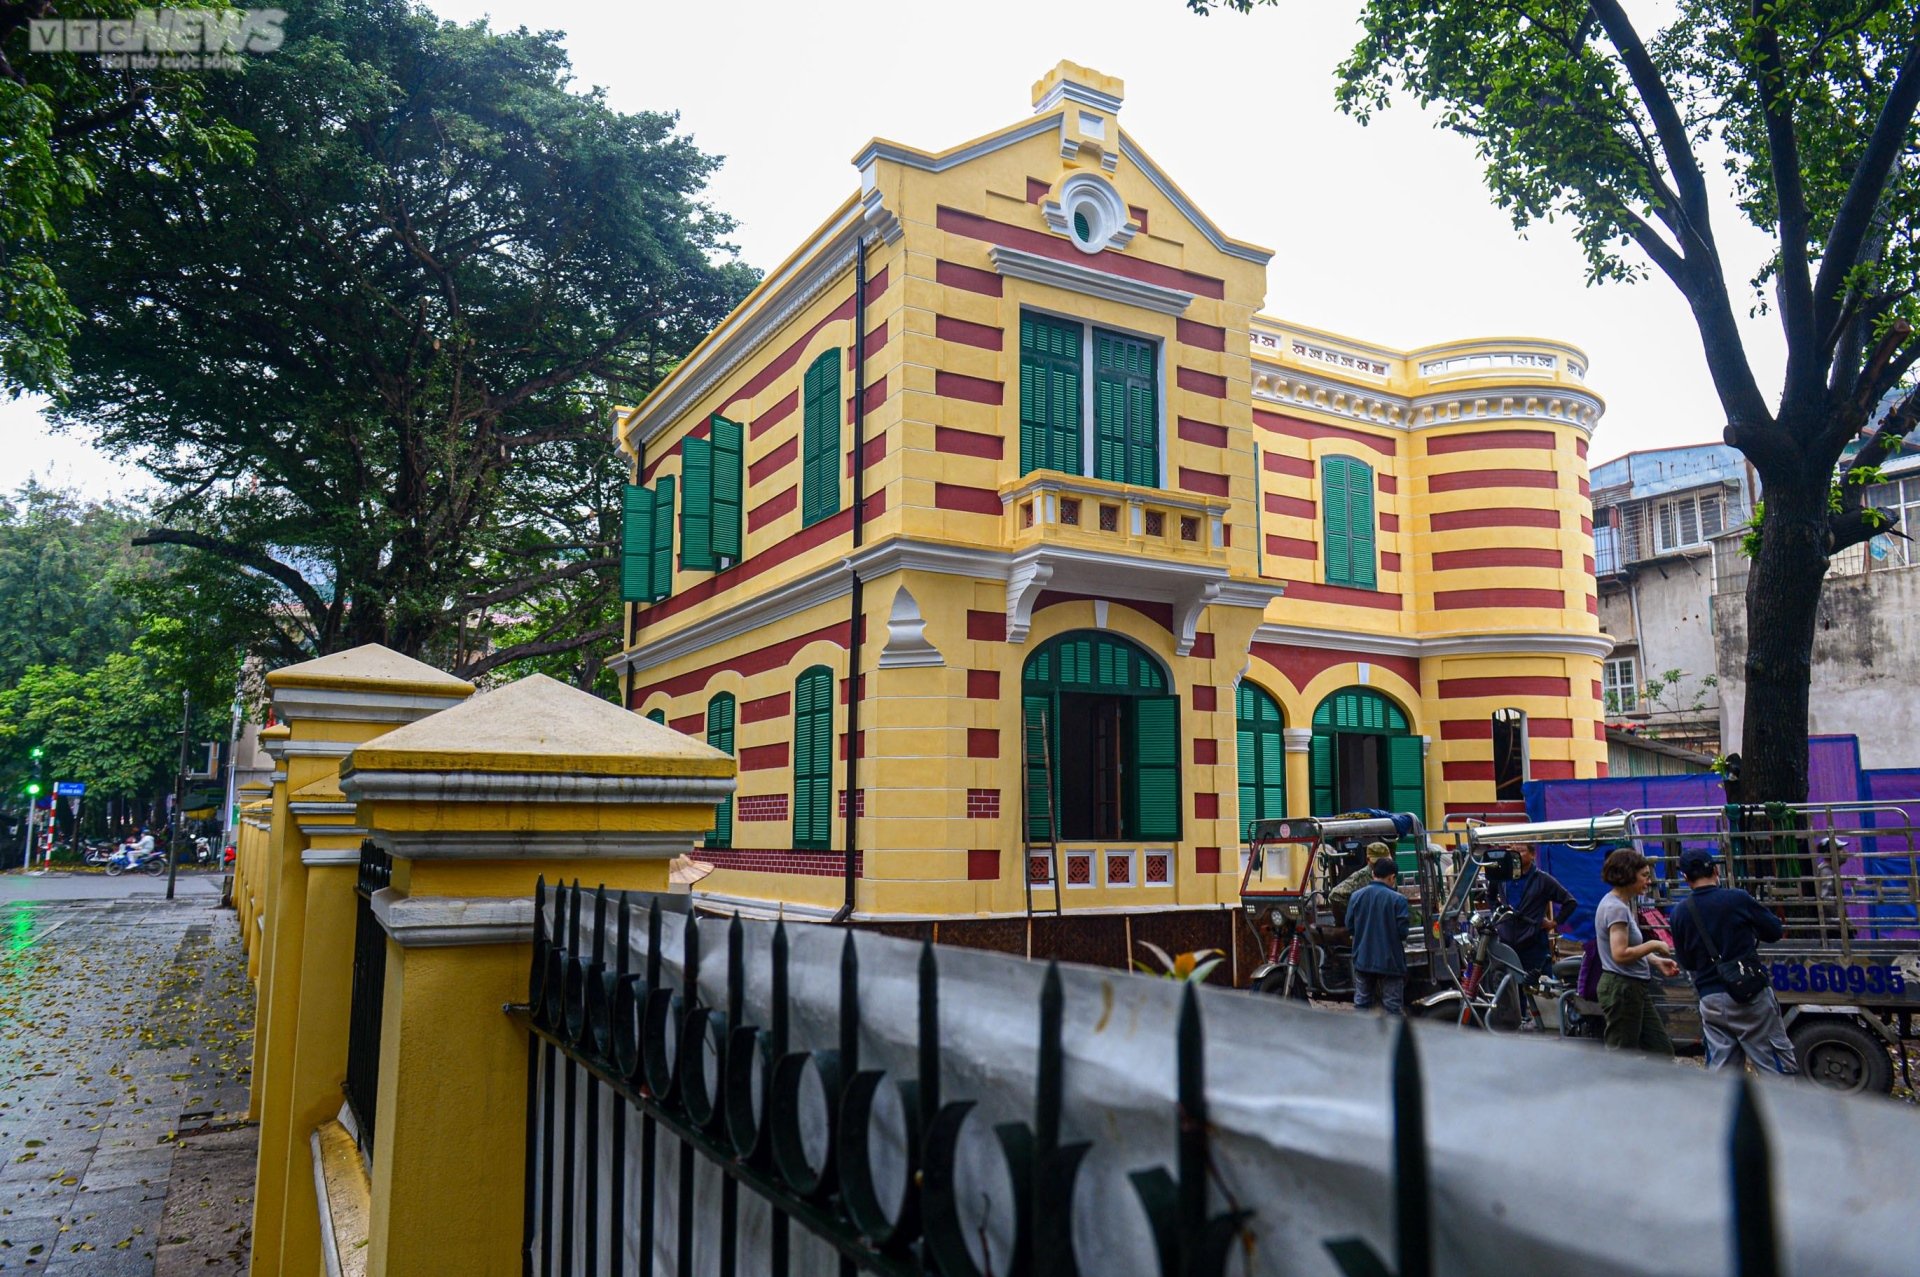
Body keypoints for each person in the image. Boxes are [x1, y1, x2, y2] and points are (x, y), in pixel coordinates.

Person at [1670, 849, 1798, 1075]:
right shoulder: (1737, 899)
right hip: (1750, 996)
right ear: (1716, 870)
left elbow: (1687, 962)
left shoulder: (1680, 912)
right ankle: (1780, 1109)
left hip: (1710, 1000)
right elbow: (1774, 931)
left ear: (1685, 877)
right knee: (1774, 1067)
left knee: (1722, 1074)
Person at [1594, 848, 1679, 1055]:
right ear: (1627, 874)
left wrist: (1655, 961)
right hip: (1622, 987)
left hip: (1633, 986)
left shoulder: (1621, 904)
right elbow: (1620, 954)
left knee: (1662, 1051)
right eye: (1644, 876)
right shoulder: (1616, 909)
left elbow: (1630, 947)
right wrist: (1655, 945)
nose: (1647, 881)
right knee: (1622, 1055)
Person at [1494, 843, 1579, 978]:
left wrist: (1554, 923)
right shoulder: (1503, 877)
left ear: (1533, 855)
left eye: (1521, 851)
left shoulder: (1543, 879)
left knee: (1539, 987)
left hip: (1533, 943)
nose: (1516, 855)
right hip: (1507, 941)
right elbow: (1490, 896)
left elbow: (1570, 902)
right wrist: (1498, 915)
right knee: (1510, 987)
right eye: (1513, 851)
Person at [1346, 857, 1410, 1015]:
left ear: (1373, 873)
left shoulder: (1356, 896)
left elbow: (1350, 926)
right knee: (1392, 1008)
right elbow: (1403, 932)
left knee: (1361, 1004)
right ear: (1392, 877)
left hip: (1363, 959)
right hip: (1391, 962)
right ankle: (1391, 1039)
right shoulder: (1398, 900)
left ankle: (1362, 1038)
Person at [1327, 841, 1392, 926]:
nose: (1381, 865)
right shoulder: (1360, 877)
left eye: (1384, 861)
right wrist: (1359, 914)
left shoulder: (1390, 873)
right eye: (1377, 862)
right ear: (1368, 860)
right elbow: (1335, 895)